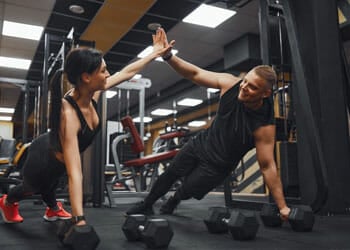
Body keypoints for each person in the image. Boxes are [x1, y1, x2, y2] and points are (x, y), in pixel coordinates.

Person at [0, 29, 172, 225]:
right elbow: (75, 173)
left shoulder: (92, 93)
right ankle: (7, 201)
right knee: (31, 188)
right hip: (43, 160)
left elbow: (127, 72)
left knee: (52, 184)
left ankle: (53, 209)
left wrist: (155, 53)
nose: (108, 74)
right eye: (103, 71)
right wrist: (79, 219)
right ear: (86, 77)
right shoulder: (70, 115)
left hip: (56, 158)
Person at [126, 28, 291, 220]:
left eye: (252, 87)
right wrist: (169, 56)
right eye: (245, 81)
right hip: (200, 144)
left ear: (265, 94)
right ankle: (146, 204)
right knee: (170, 173)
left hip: (219, 164)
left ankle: (175, 199)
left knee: (189, 189)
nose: (244, 88)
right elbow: (195, 73)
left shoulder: (264, 124)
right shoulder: (231, 85)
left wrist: (283, 206)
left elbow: (267, 165)